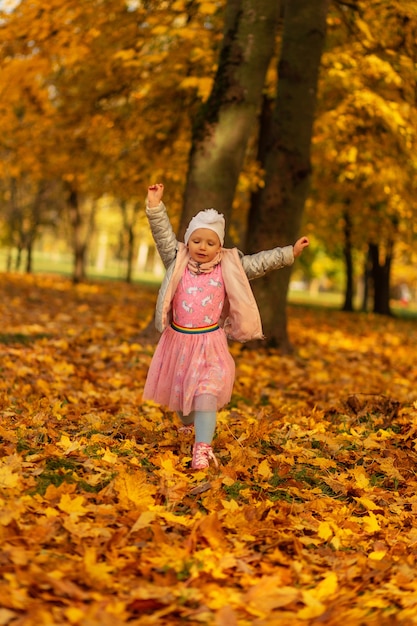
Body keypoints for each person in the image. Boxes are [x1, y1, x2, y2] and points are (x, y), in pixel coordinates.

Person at [143, 183, 309, 470]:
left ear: (220, 245)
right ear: (188, 241)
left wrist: (288, 254)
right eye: (197, 241)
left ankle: (202, 448)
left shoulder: (228, 265)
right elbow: (162, 236)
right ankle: (188, 428)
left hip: (209, 345)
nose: (203, 247)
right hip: (179, 343)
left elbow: (259, 263)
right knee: (183, 400)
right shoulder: (177, 258)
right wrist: (155, 206)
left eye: (210, 242)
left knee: (206, 393)